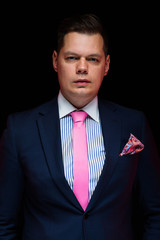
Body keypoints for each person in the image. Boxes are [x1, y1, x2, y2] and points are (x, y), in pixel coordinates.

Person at [0, 13, 160, 240]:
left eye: (93, 59)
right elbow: (4, 221)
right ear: (55, 61)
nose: (82, 68)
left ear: (107, 65)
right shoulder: (19, 129)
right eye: (72, 58)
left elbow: (155, 212)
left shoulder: (135, 123)